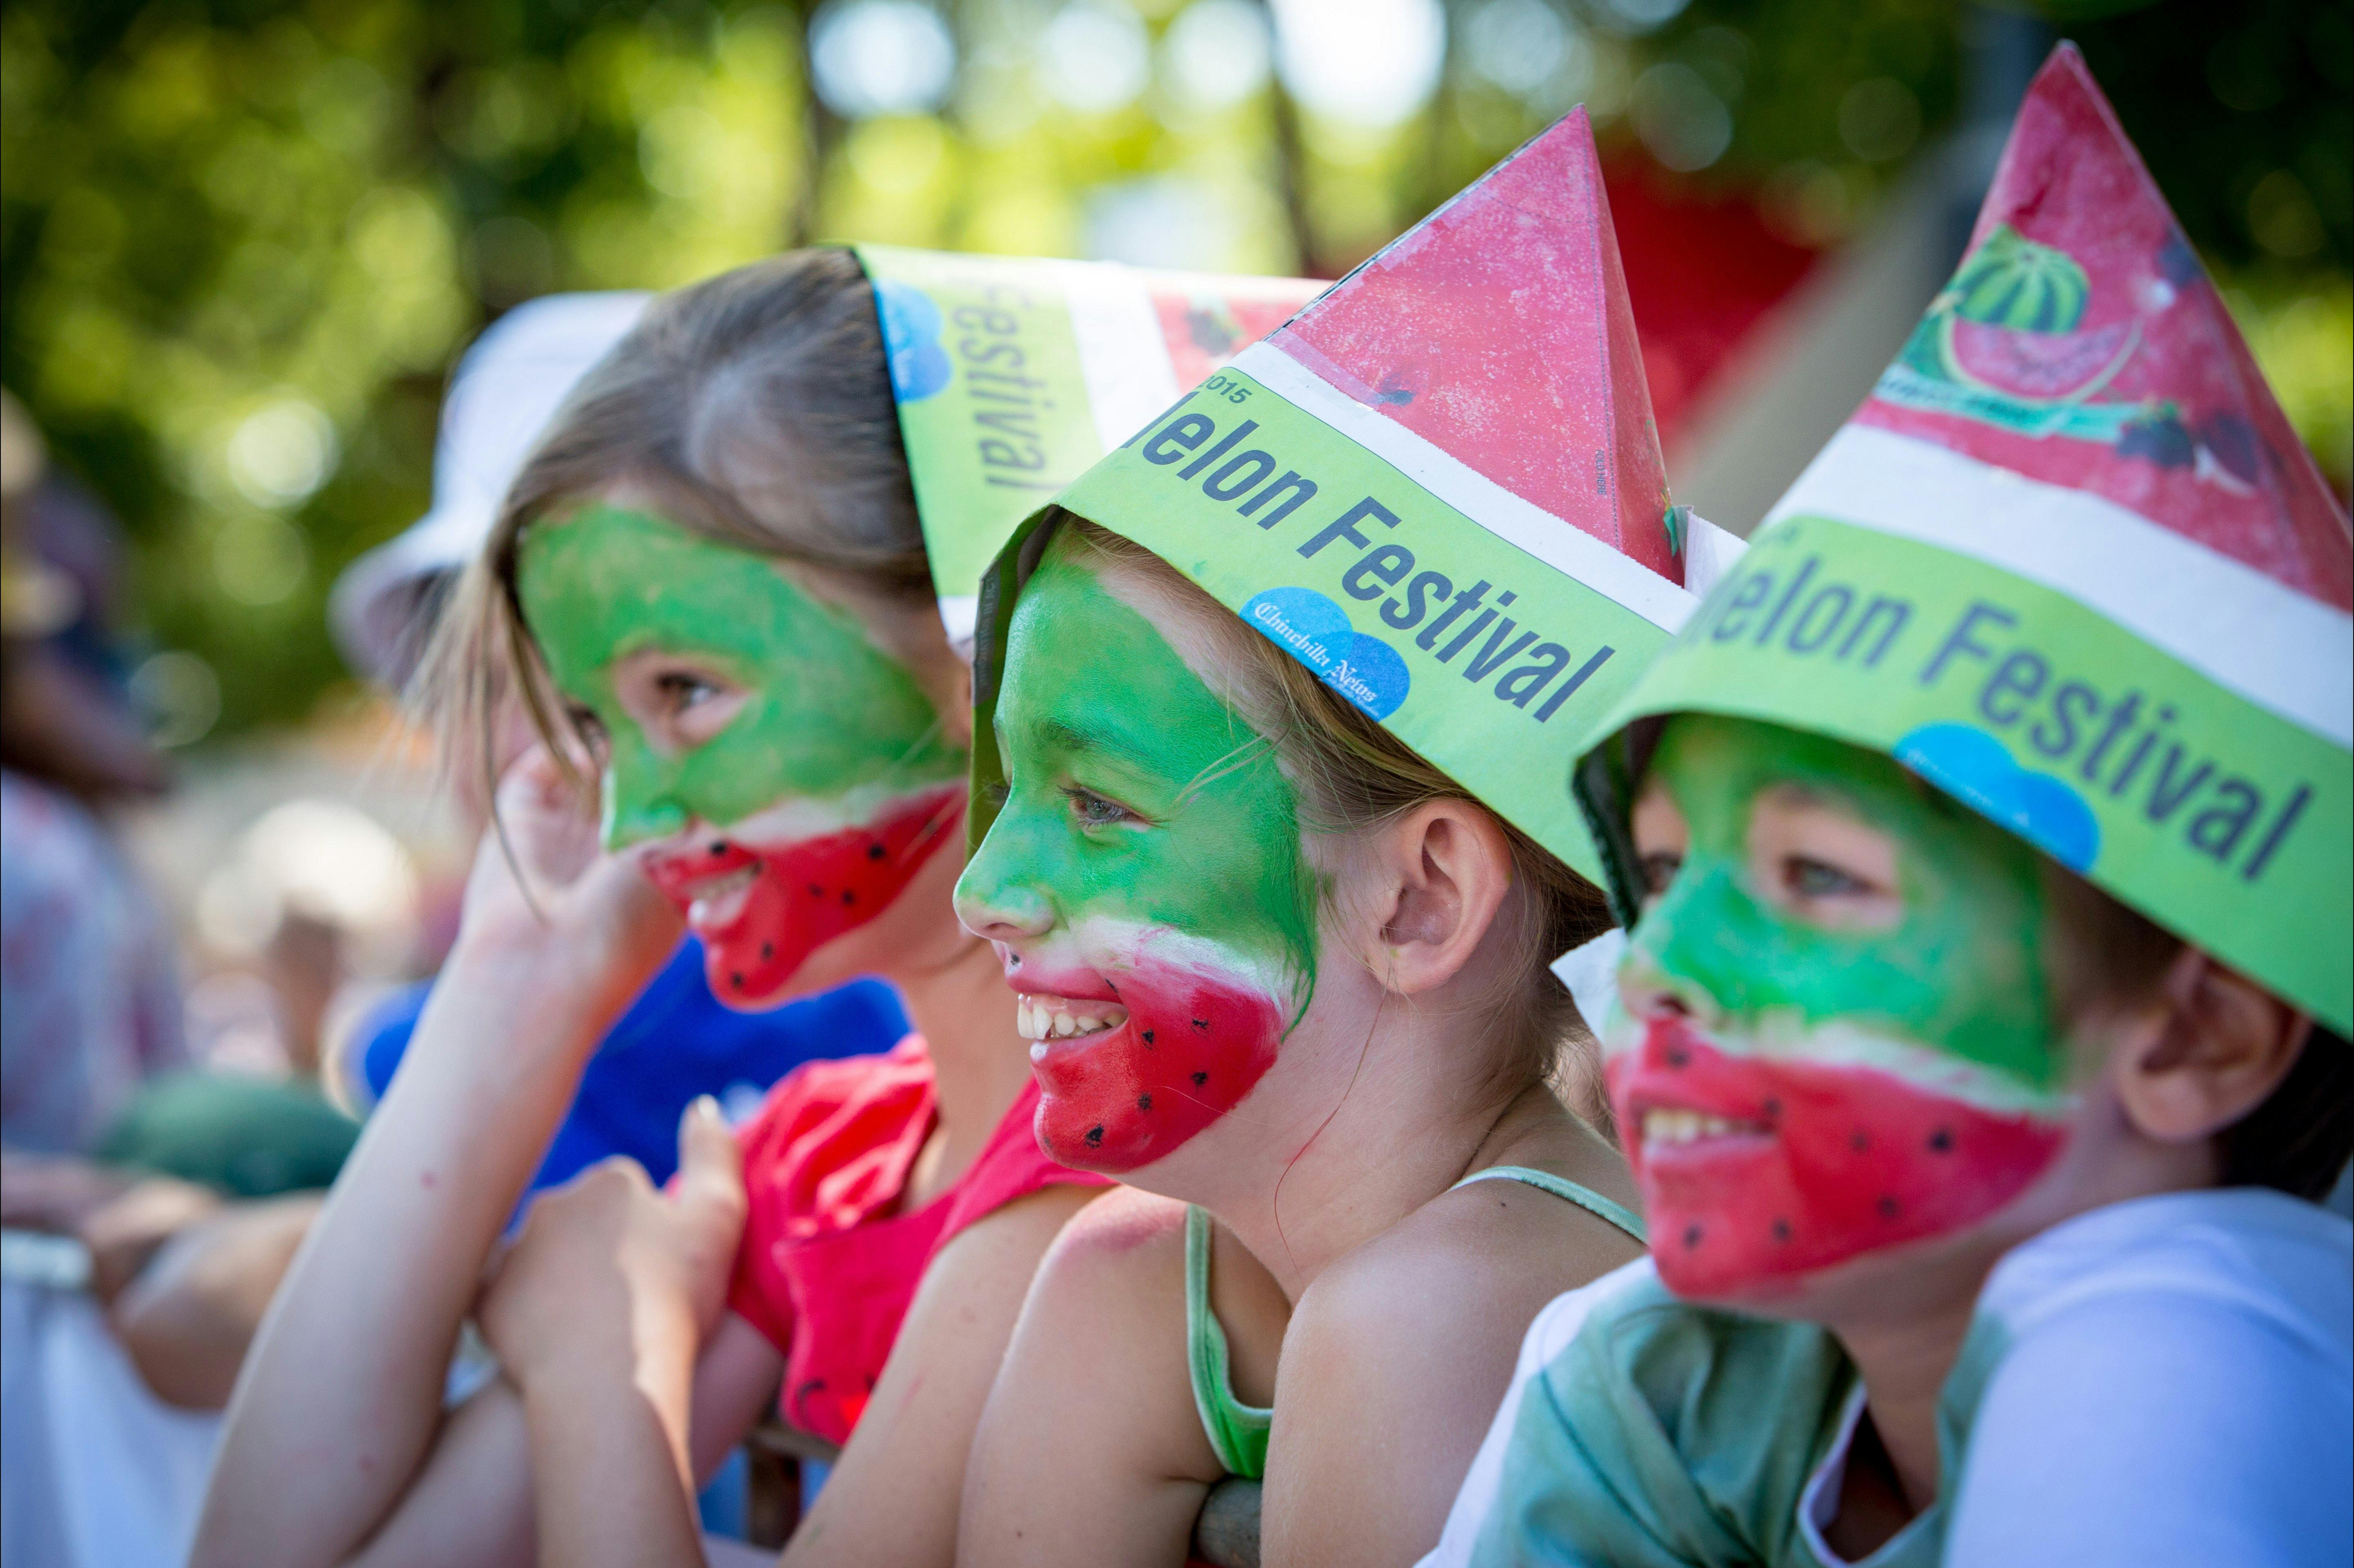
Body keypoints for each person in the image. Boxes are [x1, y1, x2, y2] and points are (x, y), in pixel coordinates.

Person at [195, 245, 1318, 1568]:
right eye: (594, 724)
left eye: (685, 693)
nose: (626, 822)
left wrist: (604, 1370)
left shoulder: (1109, 1179)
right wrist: (520, 979)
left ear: (981, 652)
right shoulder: (830, 1164)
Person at [1426, 46, 2353, 1568]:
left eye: (1819, 878)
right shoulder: (1643, 1376)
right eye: (1657, 873)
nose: (1656, 964)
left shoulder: (2212, 1351)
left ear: (2199, 1033)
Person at [949, 110, 1745, 1567]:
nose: (980, 887)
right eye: (1008, 790)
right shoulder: (1138, 1277)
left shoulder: (1435, 1317)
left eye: (1100, 805)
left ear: (1421, 895)